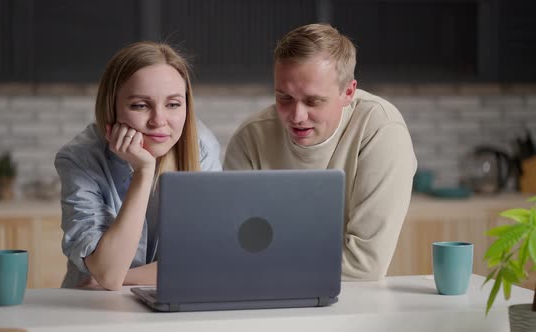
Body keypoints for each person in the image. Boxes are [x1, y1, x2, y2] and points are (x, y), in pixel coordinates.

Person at [224, 23, 417, 280]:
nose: (297, 116)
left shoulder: (381, 129)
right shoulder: (250, 138)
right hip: (265, 296)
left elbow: (365, 266)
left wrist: (266, 265)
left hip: (355, 301)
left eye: (313, 101)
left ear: (348, 92)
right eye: (284, 98)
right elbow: (233, 248)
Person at [55, 42, 221, 290]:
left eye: (173, 104)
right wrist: (143, 172)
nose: (159, 121)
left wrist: (123, 277)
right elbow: (108, 273)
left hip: (173, 302)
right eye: (140, 105)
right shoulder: (80, 158)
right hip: (94, 308)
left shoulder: (201, 147)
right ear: (112, 106)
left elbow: (208, 262)